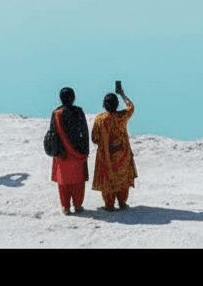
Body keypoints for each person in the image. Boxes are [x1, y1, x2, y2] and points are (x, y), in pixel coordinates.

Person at [91, 83, 137, 210]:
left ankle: (109, 204)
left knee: (108, 180)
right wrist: (122, 94)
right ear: (117, 105)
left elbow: (94, 138)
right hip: (123, 154)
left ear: (104, 105)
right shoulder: (122, 116)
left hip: (106, 156)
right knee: (123, 179)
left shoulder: (100, 119)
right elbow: (131, 107)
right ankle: (122, 203)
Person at [49, 87, 90, 215]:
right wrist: (85, 150)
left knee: (63, 182)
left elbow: (52, 133)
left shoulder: (56, 113)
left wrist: (55, 151)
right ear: (73, 97)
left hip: (61, 153)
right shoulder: (78, 111)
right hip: (78, 151)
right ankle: (78, 205)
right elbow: (84, 131)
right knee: (78, 181)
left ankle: (65, 207)